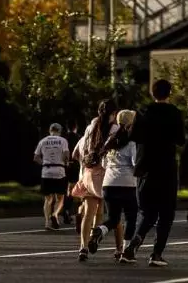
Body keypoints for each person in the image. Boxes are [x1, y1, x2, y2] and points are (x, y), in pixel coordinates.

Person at [121, 79, 185, 267]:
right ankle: (156, 254)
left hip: (145, 167)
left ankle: (132, 247)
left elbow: (132, 136)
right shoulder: (175, 113)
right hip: (166, 167)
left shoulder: (142, 112)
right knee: (166, 214)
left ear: (152, 93)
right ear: (169, 93)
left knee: (147, 212)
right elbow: (181, 140)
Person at [87, 109, 137, 262]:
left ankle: (99, 231)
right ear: (131, 124)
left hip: (108, 183)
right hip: (127, 184)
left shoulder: (110, 141)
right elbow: (135, 163)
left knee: (113, 219)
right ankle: (126, 252)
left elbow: (103, 163)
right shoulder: (132, 142)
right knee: (131, 218)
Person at [73, 99, 116, 262]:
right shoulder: (115, 129)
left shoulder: (90, 128)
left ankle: (83, 247)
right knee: (104, 212)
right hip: (106, 175)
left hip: (88, 173)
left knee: (88, 213)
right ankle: (95, 237)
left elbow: (79, 152)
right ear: (113, 114)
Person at [34, 123, 70, 231]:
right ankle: (54, 215)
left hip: (46, 171)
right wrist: (66, 162)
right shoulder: (63, 140)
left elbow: (36, 157)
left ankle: (47, 222)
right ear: (59, 131)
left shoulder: (43, 141)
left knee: (48, 199)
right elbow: (66, 155)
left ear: (50, 130)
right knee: (60, 198)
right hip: (59, 171)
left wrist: (44, 163)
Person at [62, 119, 81, 227]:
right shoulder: (78, 138)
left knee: (67, 189)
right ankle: (76, 211)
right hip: (75, 166)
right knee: (76, 188)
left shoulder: (64, 139)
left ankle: (65, 209)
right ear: (75, 127)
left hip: (64, 166)